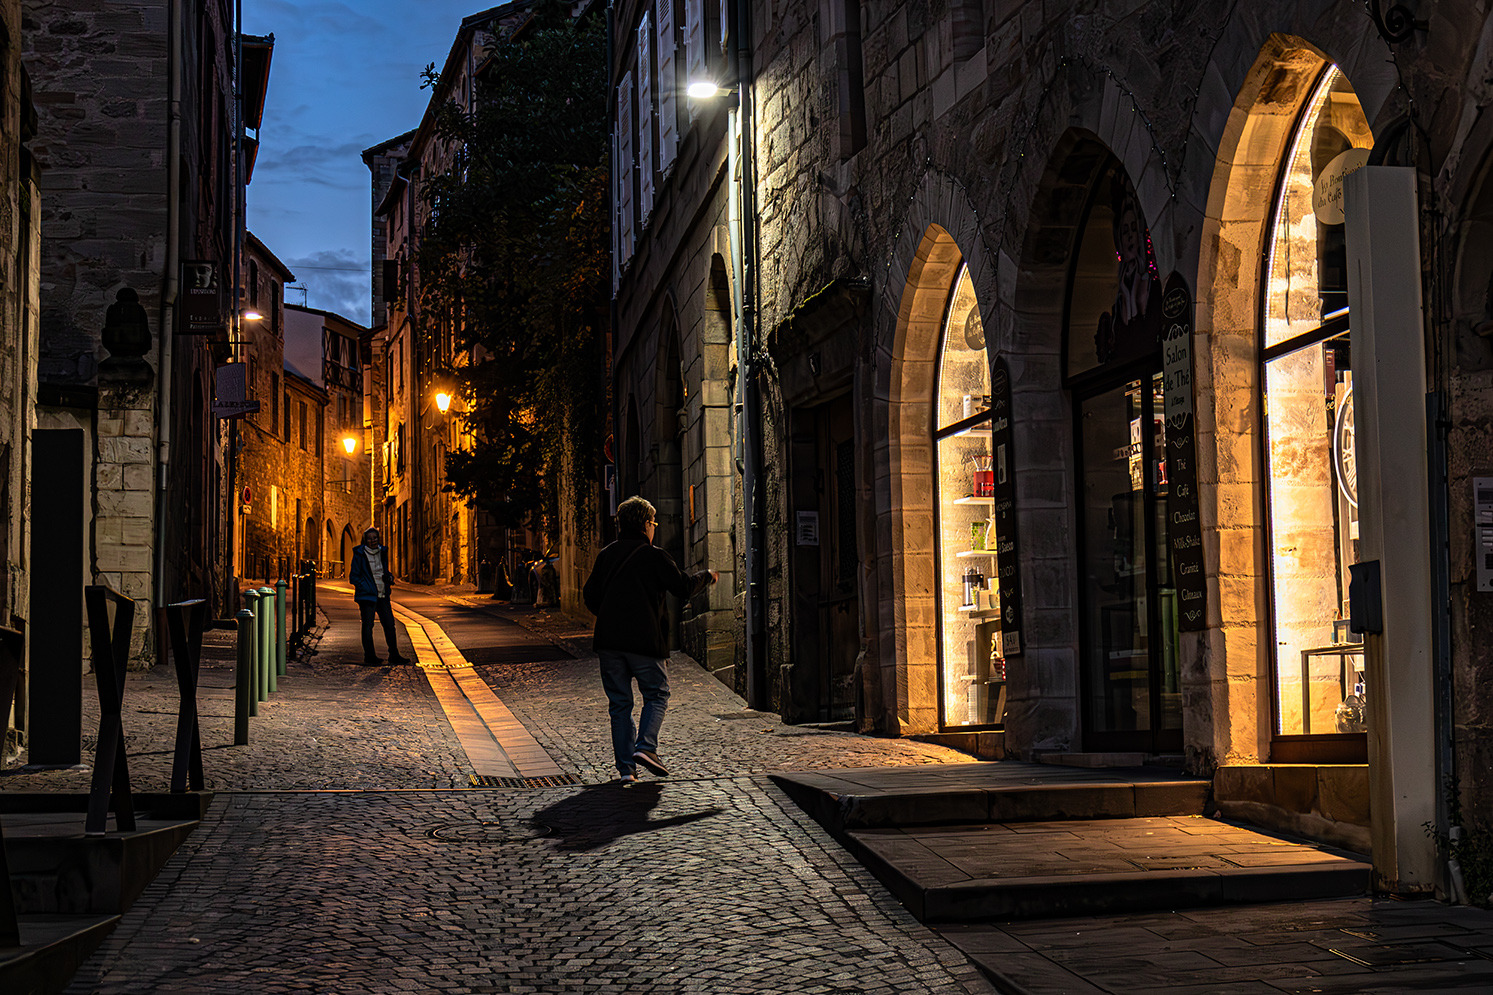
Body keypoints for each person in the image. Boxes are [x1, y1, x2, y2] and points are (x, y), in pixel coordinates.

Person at [583, 496, 717, 784]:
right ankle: (646, 747)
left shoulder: (606, 555)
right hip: (645, 642)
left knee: (619, 705)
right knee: (657, 694)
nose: (654, 527)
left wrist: (609, 616)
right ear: (645, 524)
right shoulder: (654, 555)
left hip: (609, 643)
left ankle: (625, 772)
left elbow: (590, 596)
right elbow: (683, 587)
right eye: (653, 522)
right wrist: (706, 576)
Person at [348, 527, 409, 665]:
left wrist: (388, 577)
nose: (372, 541)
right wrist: (366, 587)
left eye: (375, 538)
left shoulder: (382, 552)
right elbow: (354, 577)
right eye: (369, 538)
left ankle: (394, 655)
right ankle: (369, 657)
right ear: (365, 540)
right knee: (368, 626)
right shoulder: (359, 554)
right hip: (367, 596)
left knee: (389, 625)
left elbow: (383, 570)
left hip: (382, 594)